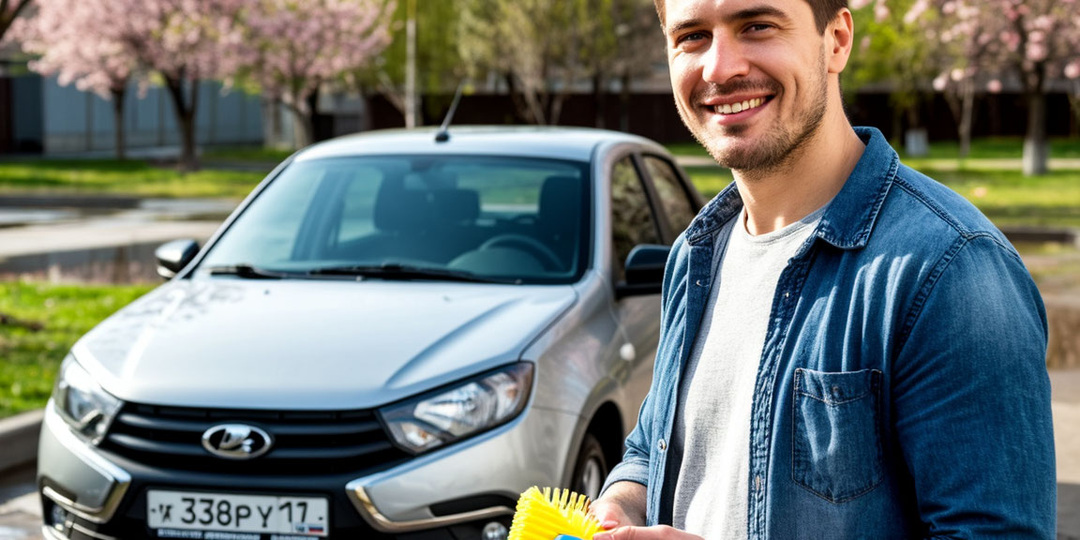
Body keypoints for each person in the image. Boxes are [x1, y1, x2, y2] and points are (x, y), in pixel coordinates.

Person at [589, 0, 1057, 538]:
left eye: (756, 26)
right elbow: (653, 449)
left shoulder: (950, 271)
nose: (720, 68)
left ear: (836, 40)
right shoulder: (695, 256)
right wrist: (622, 504)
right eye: (692, 36)